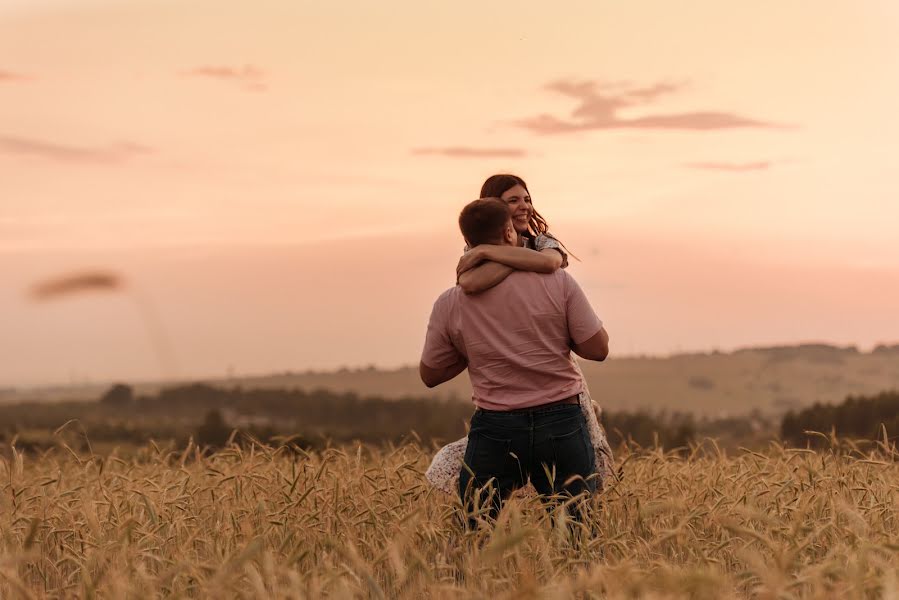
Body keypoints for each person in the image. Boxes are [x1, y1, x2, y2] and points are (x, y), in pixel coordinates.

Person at [420, 198, 610, 527]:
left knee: (475, 536)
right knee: (578, 537)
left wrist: (475, 349)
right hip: (562, 422)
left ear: (468, 242)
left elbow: (431, 374)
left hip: (496, 428)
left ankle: (471, 581)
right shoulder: (559, 282)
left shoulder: (450, 302)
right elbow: (598, 349)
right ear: (510, 232)